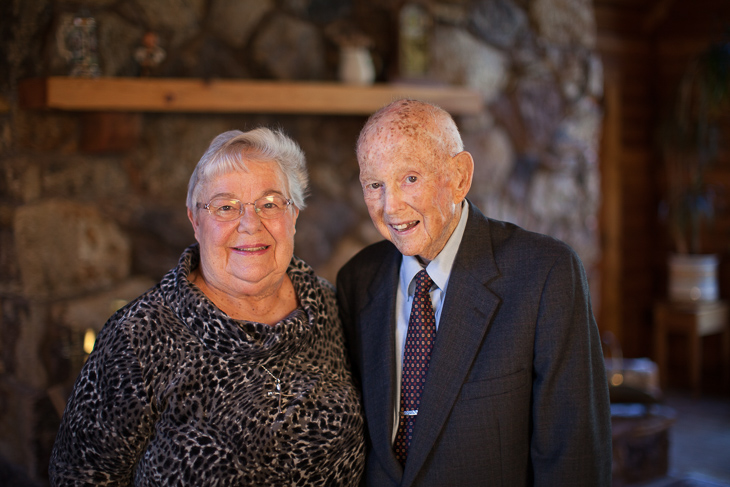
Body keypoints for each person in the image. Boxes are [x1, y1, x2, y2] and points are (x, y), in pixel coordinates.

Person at [50, 128, 365, 486]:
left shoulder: (328, 305)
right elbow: (80, 475)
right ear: (195, 221)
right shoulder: (138, 335)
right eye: (226, 207)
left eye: (270, 203)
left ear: (293, 215)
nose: (251, 224)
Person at [336, 99, 612, 486]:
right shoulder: (356, 279)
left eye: (410, 178)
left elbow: (574, 457)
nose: (391, 206)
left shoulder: (546, 274)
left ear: (460, 176)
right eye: (374, 184)